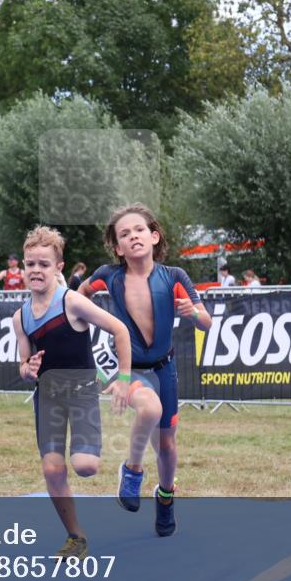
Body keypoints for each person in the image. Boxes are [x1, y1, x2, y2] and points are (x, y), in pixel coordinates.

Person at [79, 203, 212, 537]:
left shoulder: (174, 277)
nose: (133, 236)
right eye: (124, 234)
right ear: (117, 247)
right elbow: (79, 296)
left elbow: (206, 322)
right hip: (127, 367)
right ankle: (132, 470)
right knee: (149, 409)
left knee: (167, 447)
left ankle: (165, 498)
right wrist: (81, 315)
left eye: (138, 230)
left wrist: (191, 313)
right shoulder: (108, 276)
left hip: (164, 369)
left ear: (154, 236)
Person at [13, 226, 139, 558]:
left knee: (85, 466)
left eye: (44, 264)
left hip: (81, 390)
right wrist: (27, 369)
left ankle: (127, 470)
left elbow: (120, 329)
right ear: (23, 268)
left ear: (59, 267)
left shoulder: (72, 302)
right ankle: (76, 537)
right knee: (52, 470)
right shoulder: (20, 317)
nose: (36, 271)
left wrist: (123, 379)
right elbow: (23, 366)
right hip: (48, 396)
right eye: (30, 264)